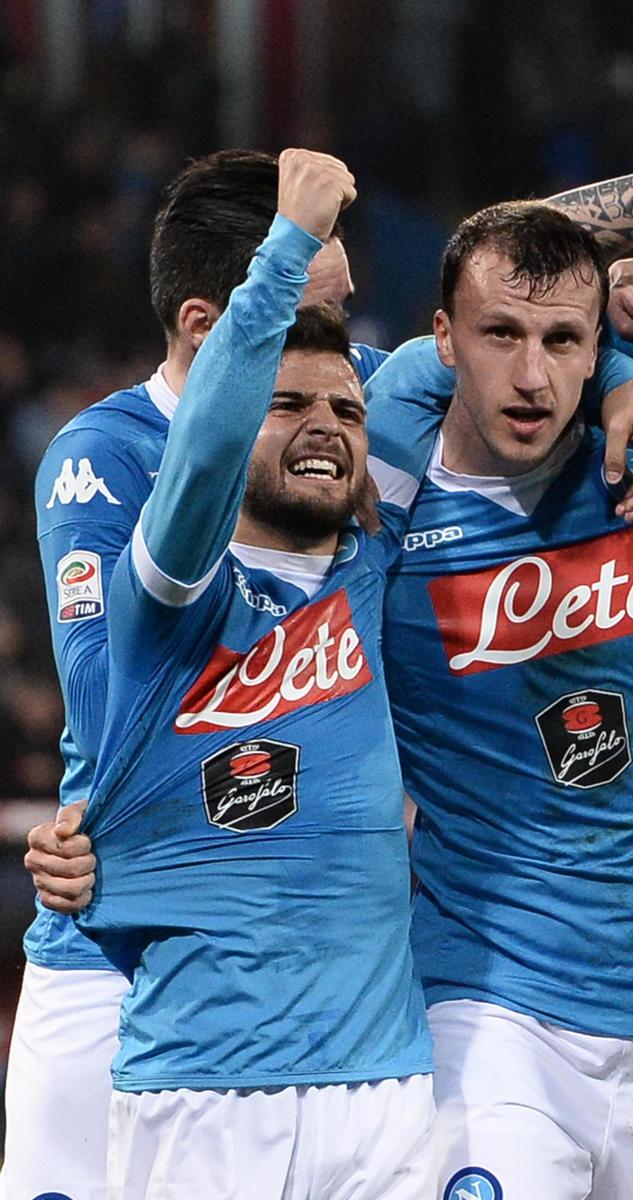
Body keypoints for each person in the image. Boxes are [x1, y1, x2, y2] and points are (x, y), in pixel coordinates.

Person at [5, 152, 633, 1199]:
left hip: (344, 1023)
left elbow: (499, 284)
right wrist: (103, 846)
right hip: (116, 936)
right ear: (213, 326)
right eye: (317, 306)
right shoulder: (107, 458)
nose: (350, 354)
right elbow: (111, 703)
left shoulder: (344, 447)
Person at [360, 200, 633, 1199]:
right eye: (499, 335)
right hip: (491, 1004)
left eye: (561, 342)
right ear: (442, 341)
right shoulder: (382, 507)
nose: (530, 374)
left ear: (596, 348)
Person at [56, 149, 444, 1199]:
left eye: (349, 412)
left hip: (387, 1085)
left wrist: (626, 349)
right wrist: (287, 246)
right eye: (286, 404)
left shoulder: (368, 567)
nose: (327, 424)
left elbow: (498, 303)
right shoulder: (169, 588)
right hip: (206, 1088)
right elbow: (201, 452)